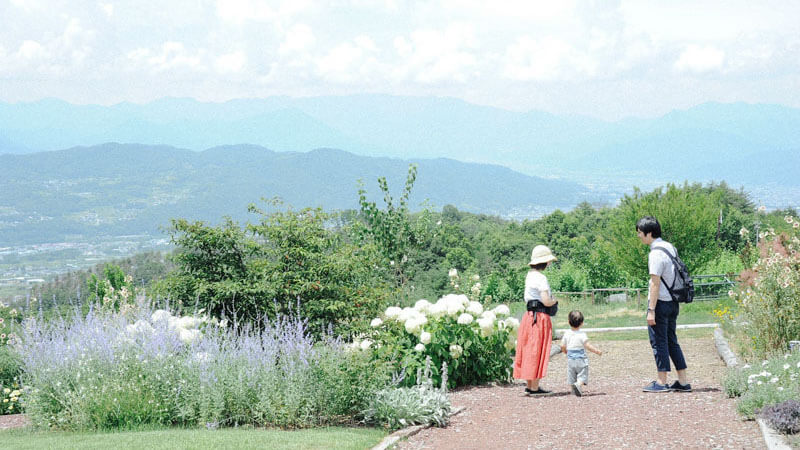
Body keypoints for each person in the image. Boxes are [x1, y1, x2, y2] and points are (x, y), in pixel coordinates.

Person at [636, 216, 691, 393]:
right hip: (674, 302)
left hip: (660, 303)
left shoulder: (655, 254)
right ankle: (683, 381)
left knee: (659, 342)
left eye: (640, 233)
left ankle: (661, 381)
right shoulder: (669, 247)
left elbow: (655, 283)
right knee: (671, 341)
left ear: (649, 233)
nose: (638, 236)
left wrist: (650, 310)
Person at [514, 245, 558, 395]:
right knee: (538, 349)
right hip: (540, 317)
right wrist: (554, 301)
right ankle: (534, 387)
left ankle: (530, 385)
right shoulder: (541, 278)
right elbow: (546, 300)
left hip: (528, 317)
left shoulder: (529, 275)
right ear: (544, 262)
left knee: (529, 349)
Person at [560, 310, 603, 397]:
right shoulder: (582, 334)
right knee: (582, 374)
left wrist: (565, 352)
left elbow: (562, 345)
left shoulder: (567, 333)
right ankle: (578, 385)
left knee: (572, 375)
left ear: (568, 322)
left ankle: (573, 391)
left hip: (570, 359)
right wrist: (597, 351)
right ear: (582, 323)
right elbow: (587, 345)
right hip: (581, 359)